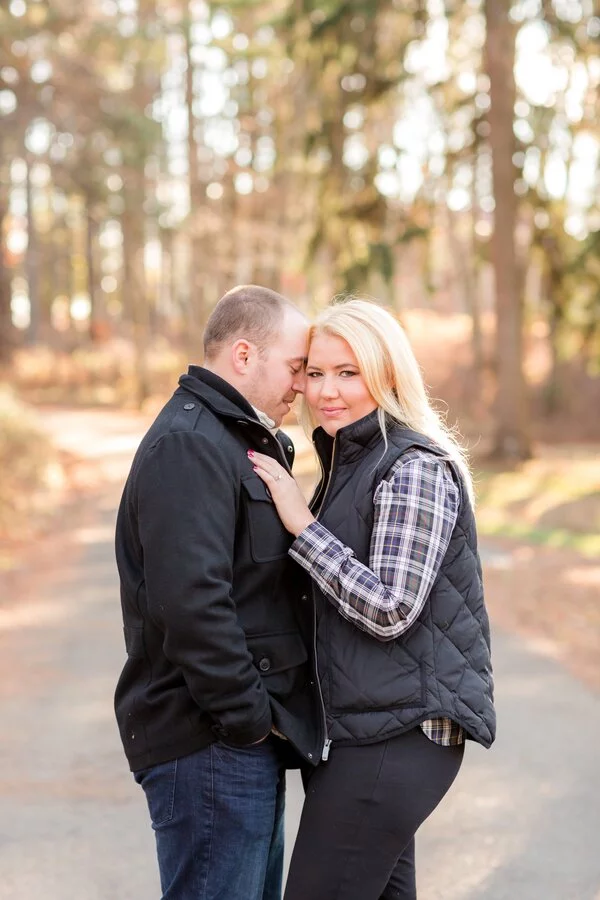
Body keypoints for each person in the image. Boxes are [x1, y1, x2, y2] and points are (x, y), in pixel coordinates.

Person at [249, 298, 496, 900]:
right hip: (364, 733)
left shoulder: (412, 466)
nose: (326, 390)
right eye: (314, 372)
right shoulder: (350, 462)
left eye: (348, 372)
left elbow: (391, 607)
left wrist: (302, 526)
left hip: (400, 736)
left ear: (386, 374)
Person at [114, 284, 323, 900]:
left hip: (237, 744)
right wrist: (250, 720)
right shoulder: (190, 444)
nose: (302, 386)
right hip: (210, 743)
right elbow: (192, 604)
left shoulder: (233, 439)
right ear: (242, 355)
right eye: (293, 367)